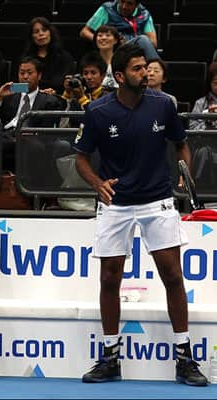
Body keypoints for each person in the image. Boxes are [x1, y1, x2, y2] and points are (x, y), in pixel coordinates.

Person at [73, 43, 207, 386]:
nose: (145, 73)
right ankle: (110, 358)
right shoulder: (99, 112)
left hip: (157, 201)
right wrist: (97, 184)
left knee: (173, 276)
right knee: (109, 279)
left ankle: (184, 358)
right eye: (137, 69)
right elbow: (82, 159)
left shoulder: (164, 105)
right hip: (115, 204)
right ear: (119, 76)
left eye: (146, 67)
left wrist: (184, 171)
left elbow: (181, 145)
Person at [0, 56, 66, 175]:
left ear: (39, 75)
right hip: (6, 135)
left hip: (31, 137)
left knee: (33, 146)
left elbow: (46, 128)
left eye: (29, 73)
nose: (25, 77)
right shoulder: (9, 95)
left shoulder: (48, 100)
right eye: (22, 73)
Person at [80, 0, 159, 62]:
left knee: (143, 40)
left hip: (134, 49)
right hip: (112, 47)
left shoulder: (144, 14)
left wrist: (133, 45)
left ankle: (154, 71)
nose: (124, 6)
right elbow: (84, 32)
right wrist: (104, 41)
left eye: (129, 3)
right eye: (122, 1)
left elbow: (153, 42)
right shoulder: (107, 10)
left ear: (137, 5)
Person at [20, 17, 75, 94]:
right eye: (36, 31)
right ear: (31, 36)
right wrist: (39, 92)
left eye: (44, 30)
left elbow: (67, 84)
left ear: (50, 33)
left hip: (59, 97)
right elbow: (14, 87)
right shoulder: (25, 58)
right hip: (31, 98)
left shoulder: (64, 57)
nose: (41, 34)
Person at [189, 62, 217, 131]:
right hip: (207, 140)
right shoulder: (200, 103)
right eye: (216, 83)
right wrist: (207, 122)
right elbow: (192, 129)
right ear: (210, 83)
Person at [94, 25, 122, 90]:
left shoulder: (121, 61)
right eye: (100, 35)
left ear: (115, 40)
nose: (103, 38)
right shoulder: (90, 61)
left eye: (108, 35)